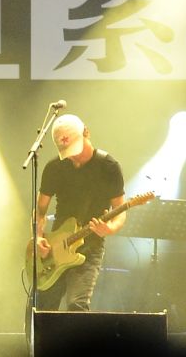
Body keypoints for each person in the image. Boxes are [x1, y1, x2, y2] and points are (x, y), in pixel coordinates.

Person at [33, 113, 126, 314]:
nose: (73, 157)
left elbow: (120, 211)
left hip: (89, 247)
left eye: (76, 150)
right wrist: (38, 236)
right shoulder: (55, 167)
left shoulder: (108, 167)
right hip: (55, 247)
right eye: (67, 153)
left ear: (86, 133)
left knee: (76, 305)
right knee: (41, 308)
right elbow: (40, 209)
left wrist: (109, 229)